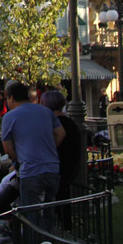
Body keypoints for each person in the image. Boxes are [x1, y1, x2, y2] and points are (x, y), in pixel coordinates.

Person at [1, 80, 65, 232]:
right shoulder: (45, 111)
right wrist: (47, 149)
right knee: (49, 213)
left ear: (11, 98)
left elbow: (8, 148)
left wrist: (22, 157)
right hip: (52, 169)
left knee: (32, 217)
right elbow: (61, 133)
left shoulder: (9, 117)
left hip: (31, 171)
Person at [40, 91, 82, 229]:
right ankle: (64, 224)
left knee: (57, 197)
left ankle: (60, 226)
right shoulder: (70, 122)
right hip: (69, 165)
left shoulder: (55, 123)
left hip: (59, 165)